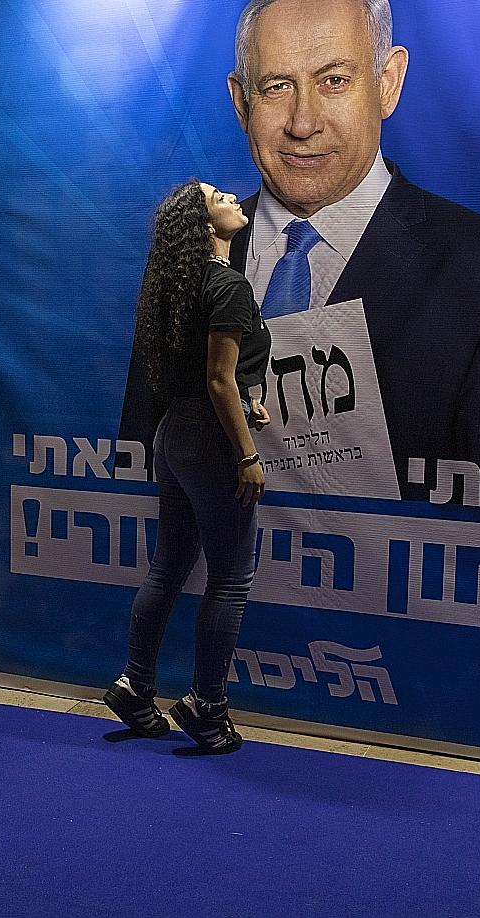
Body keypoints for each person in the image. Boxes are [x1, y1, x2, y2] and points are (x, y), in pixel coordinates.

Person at [122, 0, 480, 492]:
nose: (303, 123)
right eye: (276, 86)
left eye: (334, 81)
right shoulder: (188, 259)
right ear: (242, 102)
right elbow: (142, 481)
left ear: (388, 83)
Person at [104, 180, 272, 755]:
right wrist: (247, 454)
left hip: (172, 436)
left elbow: (218, 376)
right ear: (204, 227)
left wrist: (246, 395)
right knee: (229, 578)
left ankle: (134, 685)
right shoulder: (226, 284)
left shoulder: (175, 287)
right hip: (209, 443)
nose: (232, 199)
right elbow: (217, 379)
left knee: (169, 566)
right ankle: (207, 706)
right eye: (219, 199)